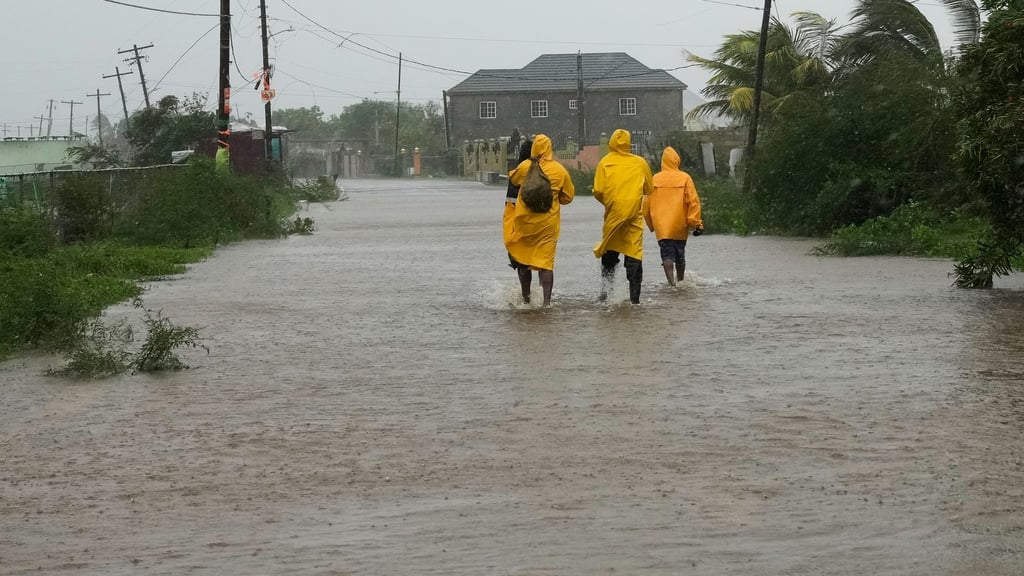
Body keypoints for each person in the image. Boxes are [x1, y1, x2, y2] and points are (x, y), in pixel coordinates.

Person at [504, 134, 575, 306]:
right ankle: (546, 303)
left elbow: (513, 179)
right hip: (547, 225)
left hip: (525, 223)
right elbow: (568, 197)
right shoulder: (559, 170)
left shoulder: (525, 167)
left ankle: (526, 299)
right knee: (546, 263)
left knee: (523, 260)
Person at [592, 129, 653, 304]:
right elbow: (649, 189)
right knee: (634, 253)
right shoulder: (640, 163)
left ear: (611, 142)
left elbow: (598, 191)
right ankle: (635, 300)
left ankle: (606, 294)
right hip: (634, 215)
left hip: (613, 213)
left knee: (610, 250)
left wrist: (611, 202)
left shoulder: (605, 163)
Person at [644, 146, 704, 286]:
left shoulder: (655, 179)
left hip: (662, 226)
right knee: (680, 254)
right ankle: (681, 281)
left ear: (662, 162)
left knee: (666, 255)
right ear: (677, 160)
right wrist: (696, 223)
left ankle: (671, 284)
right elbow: (693, 202)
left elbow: (645, 206)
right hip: (680, 224)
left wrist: (652, 225)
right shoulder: (685, 178)